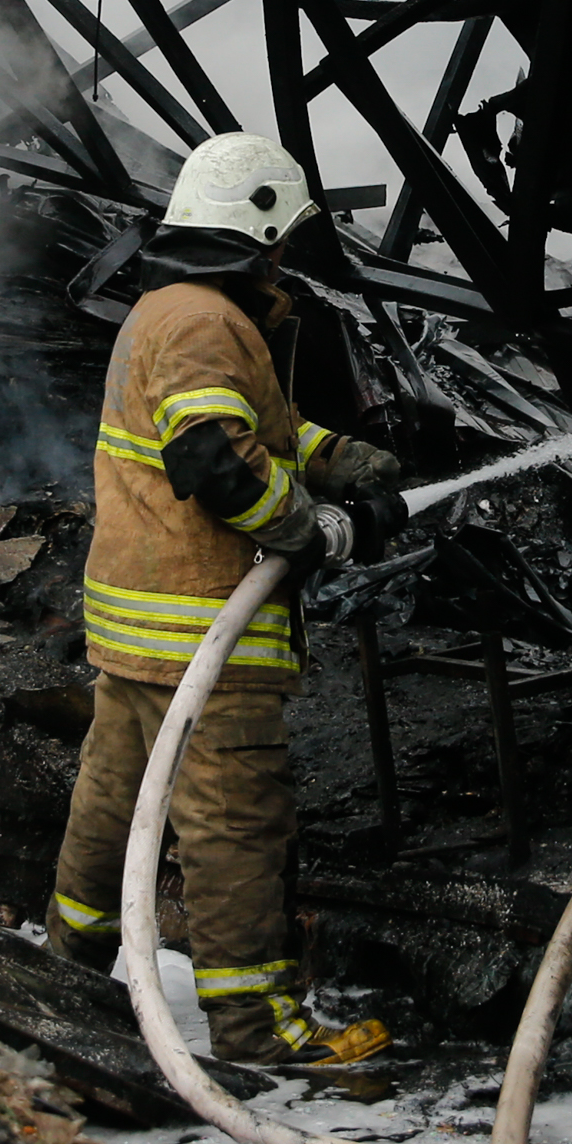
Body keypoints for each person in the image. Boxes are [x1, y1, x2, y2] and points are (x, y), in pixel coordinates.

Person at [44, 131, 405, 1067]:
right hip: (204, 625)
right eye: (284, 237)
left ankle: (62, 974)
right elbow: (214, 460)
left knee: (111, 807)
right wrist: (316, 529)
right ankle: (257, 1027)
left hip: (137, 625)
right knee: (235, 826)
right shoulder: (209, 322)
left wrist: (337, 458)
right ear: (259, 229)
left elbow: (253, 427)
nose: (287, 256)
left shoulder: (169, 309)